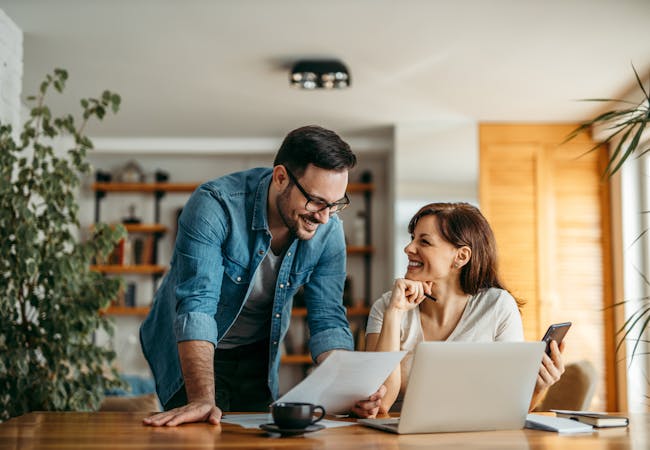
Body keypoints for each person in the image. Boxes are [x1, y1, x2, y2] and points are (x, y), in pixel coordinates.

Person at [140, 125, 357, 426]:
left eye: (335, 204)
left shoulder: (329, 229)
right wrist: (203, 399)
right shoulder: (214, 205)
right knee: (201, 433)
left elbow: (328, 318)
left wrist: (350, 389)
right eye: (316, 201)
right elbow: (197, 305)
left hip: (257, 353)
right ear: (281, 177)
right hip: (196, 349)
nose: (323, 216)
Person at [351, 202, 565, 417]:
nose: (409, 248)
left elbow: (510, 407)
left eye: (424, 241)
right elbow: (381, 405)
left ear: (461, 257)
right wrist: (395, 312)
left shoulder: (498, 307)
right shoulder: (387, 306)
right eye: (412, 238)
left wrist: (538, 387)